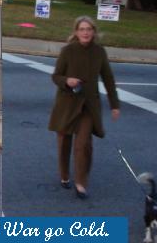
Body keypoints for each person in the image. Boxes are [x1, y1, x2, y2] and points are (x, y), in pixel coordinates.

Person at [48, 16, 120, 199]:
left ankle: (81, 182)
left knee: (84, 145)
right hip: (67, 103)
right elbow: (56, 76)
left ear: (93, 32)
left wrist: (114, 105)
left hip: (88, 105)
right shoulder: (68, 51)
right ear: (76, 32)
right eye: (82, 29)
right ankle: (64, 175)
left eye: (89, 29)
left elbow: (108, 79)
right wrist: (67, 81)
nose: (86, 32)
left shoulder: (99, 52)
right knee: (64, 142)